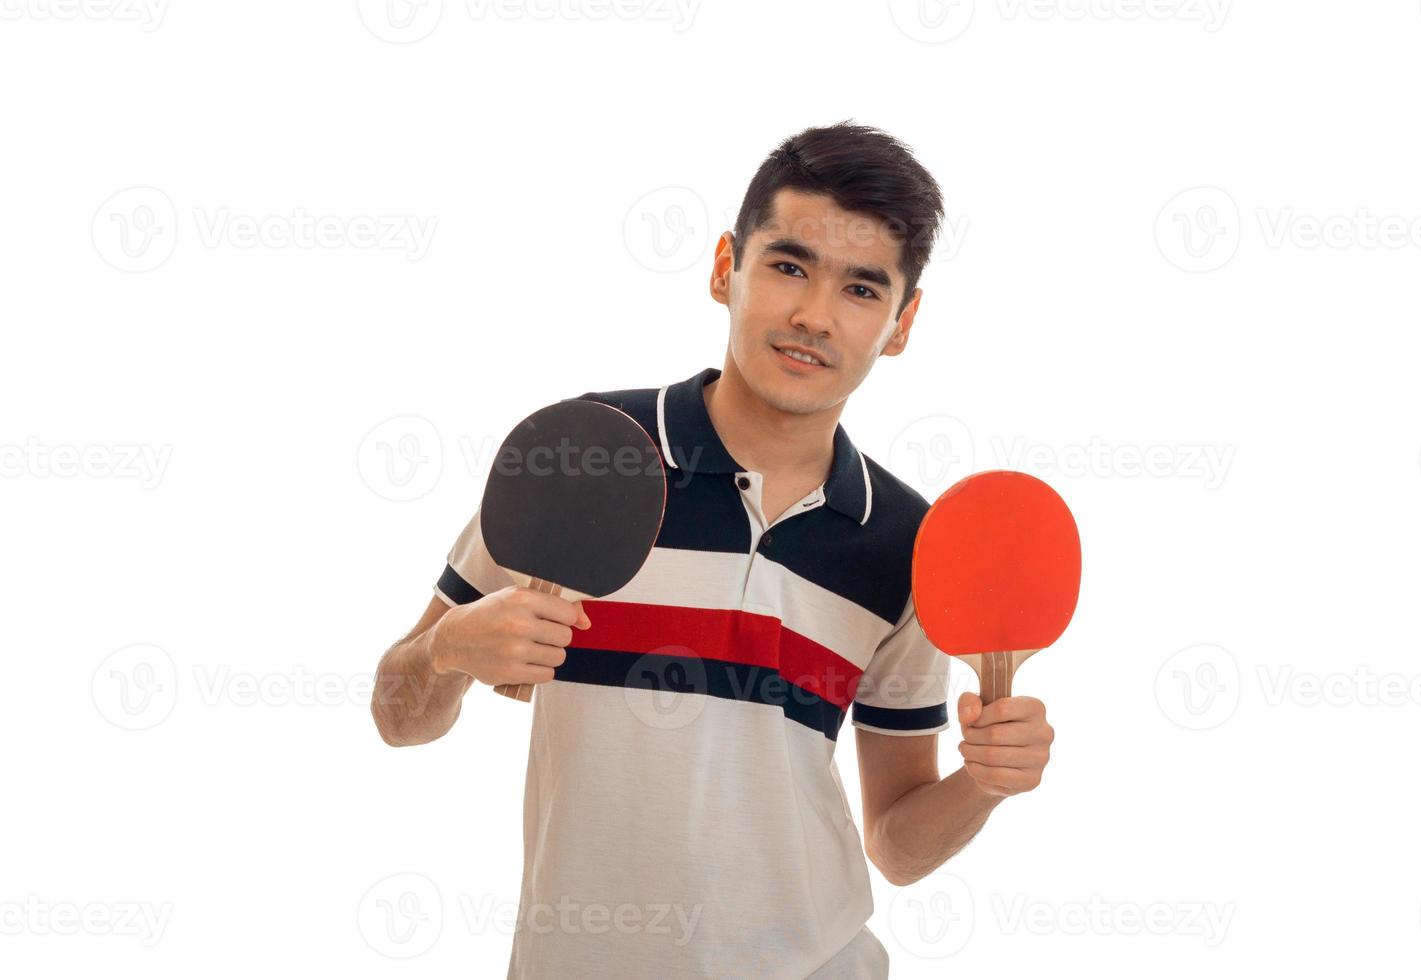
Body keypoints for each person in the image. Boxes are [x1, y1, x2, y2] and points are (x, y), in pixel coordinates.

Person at [370, 121, 1055, 978]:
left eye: (861, 290)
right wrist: (449, 649)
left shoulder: (906, 546)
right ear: (727, 266)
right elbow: (398, 717)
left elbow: (898, 844)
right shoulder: (584, 454)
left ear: (902, 322)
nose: (812, 315)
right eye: (789, 265)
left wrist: (985, 782)